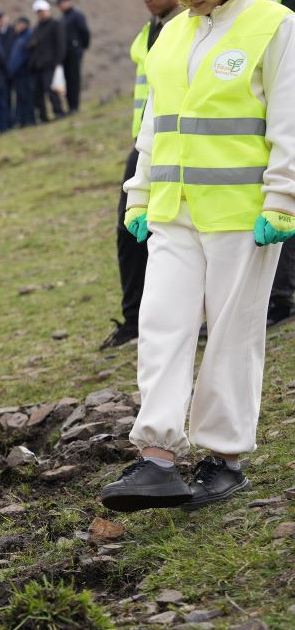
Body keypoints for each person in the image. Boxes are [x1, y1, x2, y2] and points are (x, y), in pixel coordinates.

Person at [100, 0, 295, 513]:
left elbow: (289, 119)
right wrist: (139, 191)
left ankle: (224, 460)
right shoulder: (170, 35)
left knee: (233, 332)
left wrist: (283, 199)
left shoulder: (273, 24)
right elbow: (153, 125)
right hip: (173, 210)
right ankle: (158, 458)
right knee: (161, 323)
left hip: (241, 214)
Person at [100, 0, 181, 350]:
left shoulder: (193, 26)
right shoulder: (148, 32)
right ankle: (136, 319)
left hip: (184, 139)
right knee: (129, 229)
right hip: (146, 144)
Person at [29, 0, 66, 123]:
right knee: (38, 92)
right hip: (39, 65)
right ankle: (43, 116)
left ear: (48, 10)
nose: (41, 14)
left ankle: (59, 112)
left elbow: (61, 44)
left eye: (42, 11)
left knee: (52, 89)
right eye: (38, 12)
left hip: (51, 64)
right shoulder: (37, 27)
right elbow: (33, 44)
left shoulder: (56, 24)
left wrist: (58, 61)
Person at [58, 0, 90, 114]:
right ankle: (70, 106)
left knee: (74, 79)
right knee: (67, 80)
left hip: (75, 52)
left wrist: (81, 48)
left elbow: (85, 32)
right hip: (64, 54)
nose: (61, 6)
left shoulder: (77, 15)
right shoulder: (62, 18)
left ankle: (74, 106)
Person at [9, 16, 37, 128]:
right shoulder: (19, 38)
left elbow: (25, 56)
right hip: (18, 74)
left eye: (18, 24)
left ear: (25, 24)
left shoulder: (28, 36)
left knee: (28, 97)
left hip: (26, 72)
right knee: (20, 98)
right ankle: (22, 120)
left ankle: (30, 120)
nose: (16, 27)